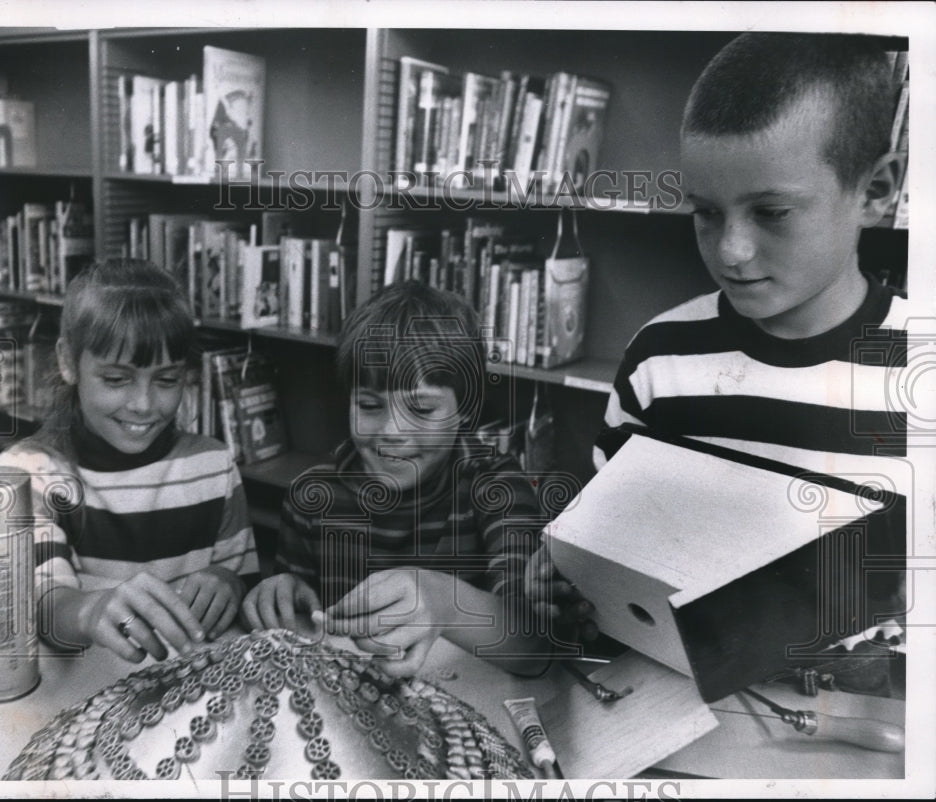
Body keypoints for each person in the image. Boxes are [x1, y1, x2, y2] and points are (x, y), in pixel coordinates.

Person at [527, 33, 910, 687]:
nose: (731, 250)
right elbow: (605, 556)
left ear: (876, 189)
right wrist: (562, 579)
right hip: (664, 700)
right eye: (706, 213)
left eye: (772, 212)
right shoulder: (658, 359)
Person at [242, 280, 550, 677]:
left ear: (465, 411)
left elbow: (533, 644)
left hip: (472, 705)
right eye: (369, 405)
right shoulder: (312, 497)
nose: (391, 430)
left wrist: (445, 602)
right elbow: (304, 624)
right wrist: (283, 594)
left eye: (421, 409)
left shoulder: (496, 488)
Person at [0, 259, 260, 663]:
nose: (143, 405)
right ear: (68, 361)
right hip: (83, 693)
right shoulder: (27, 473)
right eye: (116, 380)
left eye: (167, 380)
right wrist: (90, 609)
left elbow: (242, 584)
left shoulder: (215, 465)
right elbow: (40, 603)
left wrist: (228, 584)